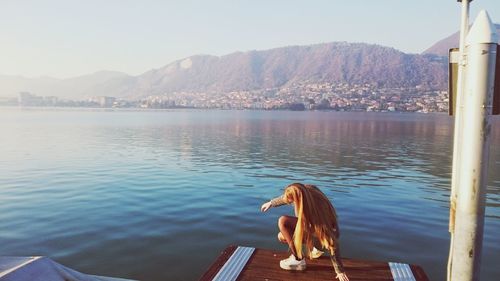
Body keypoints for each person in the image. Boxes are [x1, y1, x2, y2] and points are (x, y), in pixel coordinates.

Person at [261, 183, 349, 281]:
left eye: (292, 201)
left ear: (298, 200)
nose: (290, 203)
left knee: (283, 221)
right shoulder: (307, 190)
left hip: (323, 238)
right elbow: (290, 195)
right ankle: (315, 249)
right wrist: (271, 203)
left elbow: (332, 241)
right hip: (317, 234)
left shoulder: (319, 212)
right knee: (281, 236)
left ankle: (298, 259)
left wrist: (339, 270)